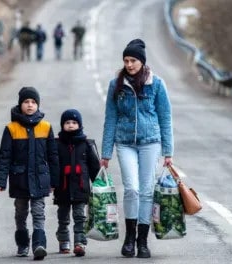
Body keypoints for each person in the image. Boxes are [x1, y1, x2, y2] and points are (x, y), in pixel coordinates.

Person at [100, 39, 173, 259]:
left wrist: (168, 151)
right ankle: (129, 238)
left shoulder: (157, 84)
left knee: (147, 190)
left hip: (151, 142)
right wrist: (105, 153)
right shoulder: (116, 85)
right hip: (125, 143)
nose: (129, 64)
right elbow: (110, 118)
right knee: (131, 189)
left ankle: (143, 241)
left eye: (133, 60)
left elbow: (165, 118)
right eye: (126, 60)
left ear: (142, 61)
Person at [0, 86, 60, 260]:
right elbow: (4, 156)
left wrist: (54, 180)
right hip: (19, 179)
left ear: (37, 105)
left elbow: (53, 156)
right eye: (26, 102)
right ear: (20, 104)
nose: (30, 105)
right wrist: (0, 182)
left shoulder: (46, 127)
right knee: (21, 212)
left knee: (38, 212)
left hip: (39, 179)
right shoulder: (11, 128)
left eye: (33, 102)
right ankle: (22, 244)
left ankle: (39, 244)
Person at [53, 109, 100, 257]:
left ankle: (80, 243)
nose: (71, 125)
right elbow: (52, 166)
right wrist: (51, 183)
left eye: (74, 122)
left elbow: (94, 167)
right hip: (63, 188)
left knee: (80, 217)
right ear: (62, 125)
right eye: (67, 123)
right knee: (63, 217)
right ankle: (63, 240)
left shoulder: (86, 144)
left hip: (80, 189)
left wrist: (98, 184)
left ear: (79, 125)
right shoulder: (57, 144)